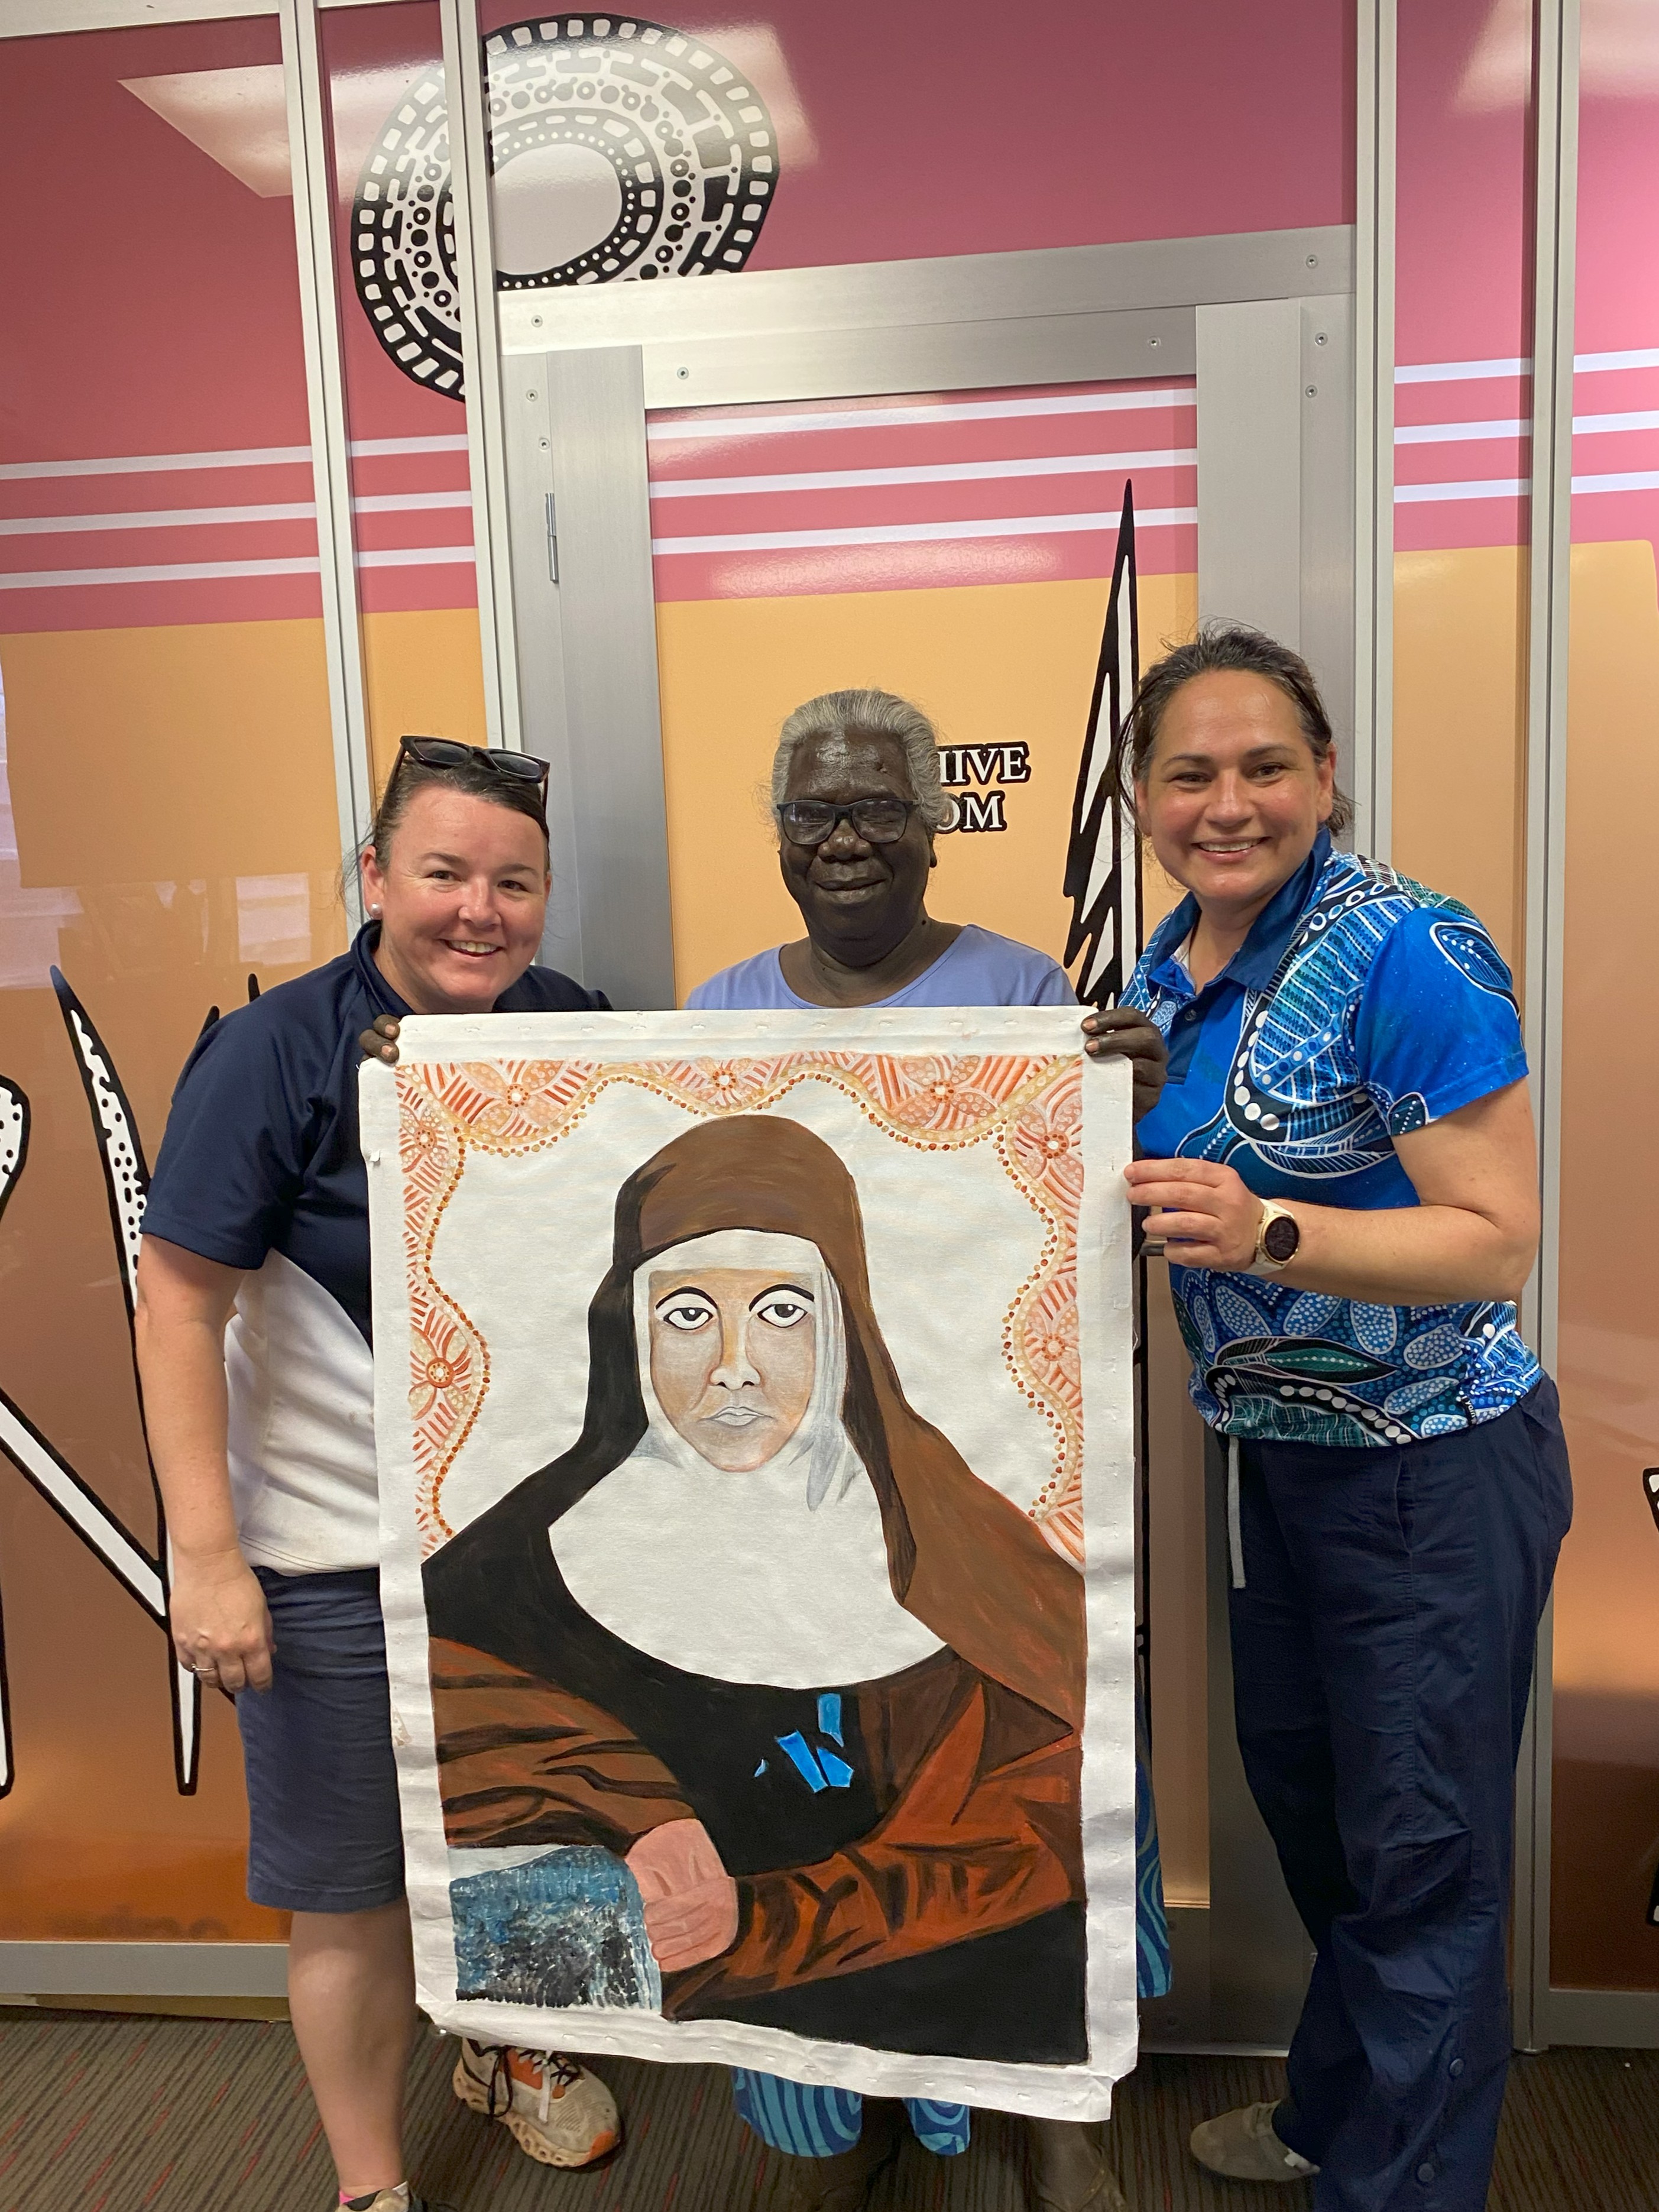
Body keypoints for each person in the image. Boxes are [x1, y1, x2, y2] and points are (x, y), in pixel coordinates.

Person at [684, 688, 1168, 2212]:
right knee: (824, 1808)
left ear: (934, 821)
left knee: (1007, 1792)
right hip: (791, 1517)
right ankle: (850, 2109)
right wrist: (420, 1076)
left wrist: (1122, 1094)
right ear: (775, 837)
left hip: (988, 1491)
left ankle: (1042, 2121)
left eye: (880, 807)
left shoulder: (1030, 991)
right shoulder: (710, 1014)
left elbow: (1079, 1239)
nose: (846, 839)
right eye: (816, 812)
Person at [133, 739, 624, 2212]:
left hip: (526, 1547)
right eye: (443, 873)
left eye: (513, 882)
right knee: (346, 1887)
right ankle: (368, 2181)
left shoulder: (573, 1029)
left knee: (544, 1830)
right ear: (373, 879)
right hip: (331, 1546)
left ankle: (514, 2048)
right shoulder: (272, 1049)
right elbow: (177, 1300)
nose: (480, 909)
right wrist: (207, 1555)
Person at [1116, 626, 1572, 2212]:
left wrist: (1268, 1233)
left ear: (1323, 778)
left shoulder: (1406, 949)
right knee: (1321, 1823)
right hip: (1269, 1471)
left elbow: (1492, 1234)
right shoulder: (1155, 977)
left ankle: (1391, 2182)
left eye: (1260, 766)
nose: (1223, 800)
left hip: (1429, 1466)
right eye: (1188, 770)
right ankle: (1339, 2105)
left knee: (1419, 1860)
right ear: (1141, 795)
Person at [423, 1114, 1092, 2064]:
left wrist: (771, 1915)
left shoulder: (966, 1554)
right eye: (687, 1314)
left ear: (843, 1323)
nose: (733, 1364)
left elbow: (1043, 1804)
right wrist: (634, 1809)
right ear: (629, 1332)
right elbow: (447, 1722)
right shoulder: (517, 1566)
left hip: (975, 1980)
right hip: (740, 2014)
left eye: (782, 1310)